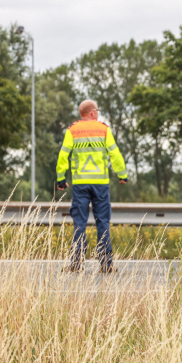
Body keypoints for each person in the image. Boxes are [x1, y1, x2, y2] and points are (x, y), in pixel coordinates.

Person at [56, 100, 128, 273]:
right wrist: (122, 174)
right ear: (92, 113)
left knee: (79, 222)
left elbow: (63, 155)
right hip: (100, 184)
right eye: (97, 110)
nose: (98, 113)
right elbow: (115, 153)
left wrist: (60, 178)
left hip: (80, 184)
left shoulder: (72, 130)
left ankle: (76, 264)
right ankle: (106, 264)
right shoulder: (103, 129)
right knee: (102, 221)